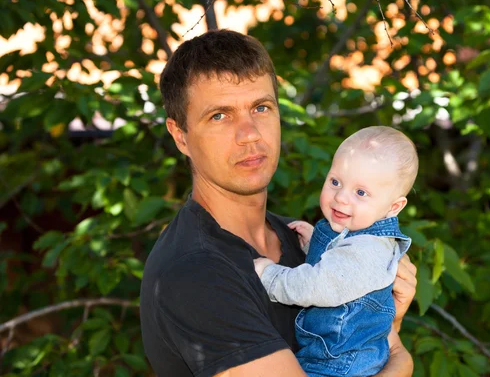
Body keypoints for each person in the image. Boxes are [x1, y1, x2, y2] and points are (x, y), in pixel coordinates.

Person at [139, 29, 417, 377]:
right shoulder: (196, 272)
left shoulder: (309, 239)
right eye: (220, 116)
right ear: (181, 136)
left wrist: (389, 317)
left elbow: (350, 354)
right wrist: (402, 362)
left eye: (261, 107)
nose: (250, 133)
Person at [254, 126, 418, 376]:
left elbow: (317, 285)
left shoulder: (369, 249)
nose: (341, 197)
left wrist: (270, 276)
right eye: (335, 181)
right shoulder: (355, 232)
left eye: (361, 192)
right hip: (333, 357)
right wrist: (315, 244)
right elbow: (339, 265)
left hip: (339, 365)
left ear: (393, 207)